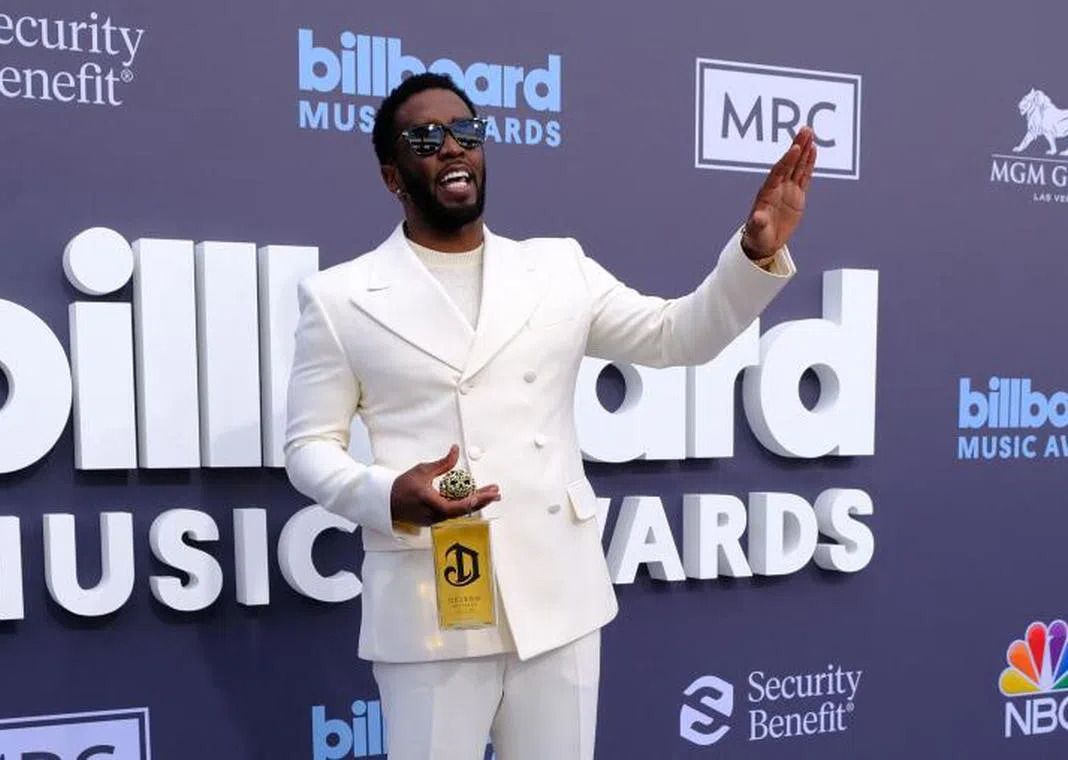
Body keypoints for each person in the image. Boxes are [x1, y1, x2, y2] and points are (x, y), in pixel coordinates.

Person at [284, 72, 816, 760]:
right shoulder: (340, 297)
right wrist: (388, 495)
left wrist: (753, 251)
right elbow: (308, 448)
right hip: (430, 604)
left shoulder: (556, 268)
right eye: (425, 138)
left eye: (464, 133)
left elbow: (677, 335)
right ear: (393, 175)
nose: (451, 148)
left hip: (557, 601)